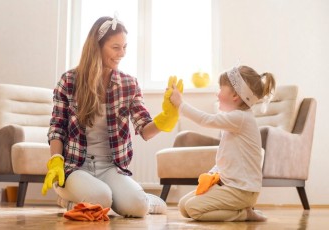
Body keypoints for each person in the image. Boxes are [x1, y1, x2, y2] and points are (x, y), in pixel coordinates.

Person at [41, 15, 183, 218]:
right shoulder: (70, 81)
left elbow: (145, 129)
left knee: (137, 208)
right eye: (116, 47)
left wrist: (167, 116)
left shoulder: (128, 84)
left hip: (110, 166)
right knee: (102, 198)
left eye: (125, 47)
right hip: (76, 166)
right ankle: (69, 195)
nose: (122, 53)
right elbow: (57, 127)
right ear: (96, 46)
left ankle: (139, 200)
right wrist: (56, 160)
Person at [169, 65, 276, 222]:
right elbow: (227, 156)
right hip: (229, 186)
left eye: (220, 89)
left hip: (242, 191)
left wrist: (181, 105)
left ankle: (244, 214)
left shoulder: (240, 118)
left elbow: (206, 119)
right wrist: (213, 173)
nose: (217, 93)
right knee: (184, 206)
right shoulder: (234, 120)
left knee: (193, 209)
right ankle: (240, 210)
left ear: (235, 95)